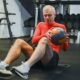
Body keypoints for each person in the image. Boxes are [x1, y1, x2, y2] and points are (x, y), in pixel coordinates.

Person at [0, 5, 69, 79]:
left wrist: (65, 41)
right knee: (19, 41)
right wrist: (45, 35)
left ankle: (25, 68)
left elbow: (65, 49)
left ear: (55, 15)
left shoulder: (61, 27)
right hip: (36, 57)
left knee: (44, 40)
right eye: (45, 15)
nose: (47, 18)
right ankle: (3, 65)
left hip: (50, 59)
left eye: (49, 15)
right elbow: (33, 40)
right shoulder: (40, 25)